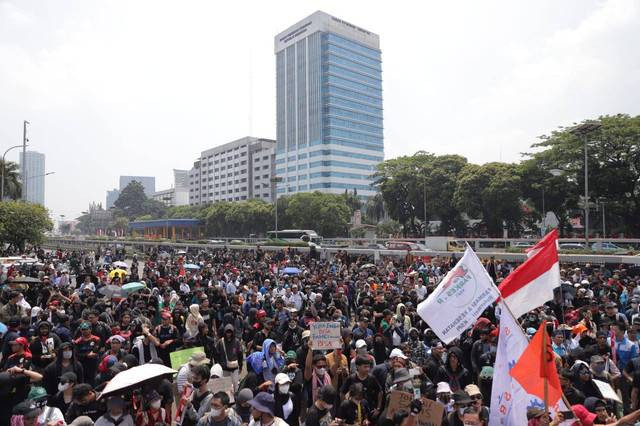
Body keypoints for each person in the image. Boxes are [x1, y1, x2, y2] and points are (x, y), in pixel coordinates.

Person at [217, 324, 244, 392]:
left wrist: (240, 366)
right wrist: (220, 364)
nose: (228, 334)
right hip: (224, 368)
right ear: (224, 332)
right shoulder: (220, 342)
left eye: (230, 332)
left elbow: (240, 354)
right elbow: (217, 354)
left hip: (234, 368)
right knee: (226, 385)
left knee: (235, 384)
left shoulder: (237, 342)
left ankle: (235, 398)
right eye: (227, 332)